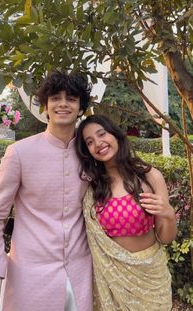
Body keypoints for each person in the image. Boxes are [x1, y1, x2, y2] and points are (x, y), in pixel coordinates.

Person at [0, 71, 93, 311]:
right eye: (55, 98)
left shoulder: (91, 153)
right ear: (45, 105)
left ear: (80, 107)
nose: (63, 104)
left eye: (72, 98)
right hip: (30, 277)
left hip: (81, 275)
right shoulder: (20, 153)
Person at [75, 114, 177, 311]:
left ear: (115, 135)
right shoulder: (92, 188)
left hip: (150, 276)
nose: (98, 143)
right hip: (110, 279)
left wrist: (169, 214)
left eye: (102, 134)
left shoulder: (150, 177)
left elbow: (165, 238)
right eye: (90, 142)